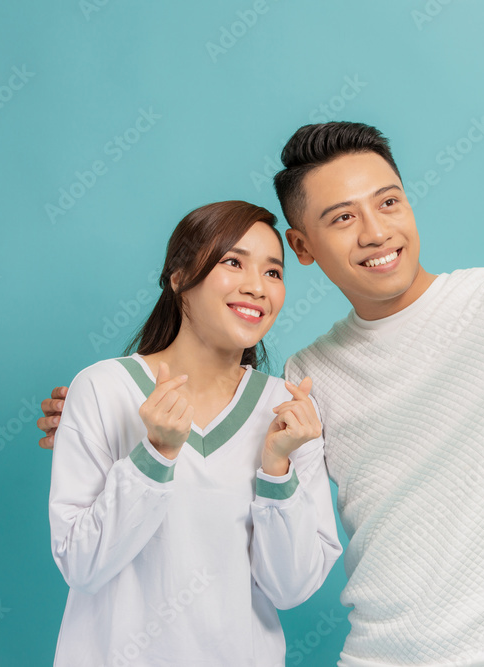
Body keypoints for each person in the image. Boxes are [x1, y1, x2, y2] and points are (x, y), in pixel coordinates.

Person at [41, 70, 484, 666]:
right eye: (343, 218)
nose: (376, 232)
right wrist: (99, 414)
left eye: (389, 202)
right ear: (305, 248)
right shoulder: (309, 375)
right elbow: (232, 458)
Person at [47, 200, 342, 666]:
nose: (256, 287)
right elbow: (82, 566)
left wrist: (277, 471)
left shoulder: (287, 412)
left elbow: (291, 589)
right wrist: (156, 454)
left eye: (273, 273)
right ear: (179, 276)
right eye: (233, 262)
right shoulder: (102, 389)